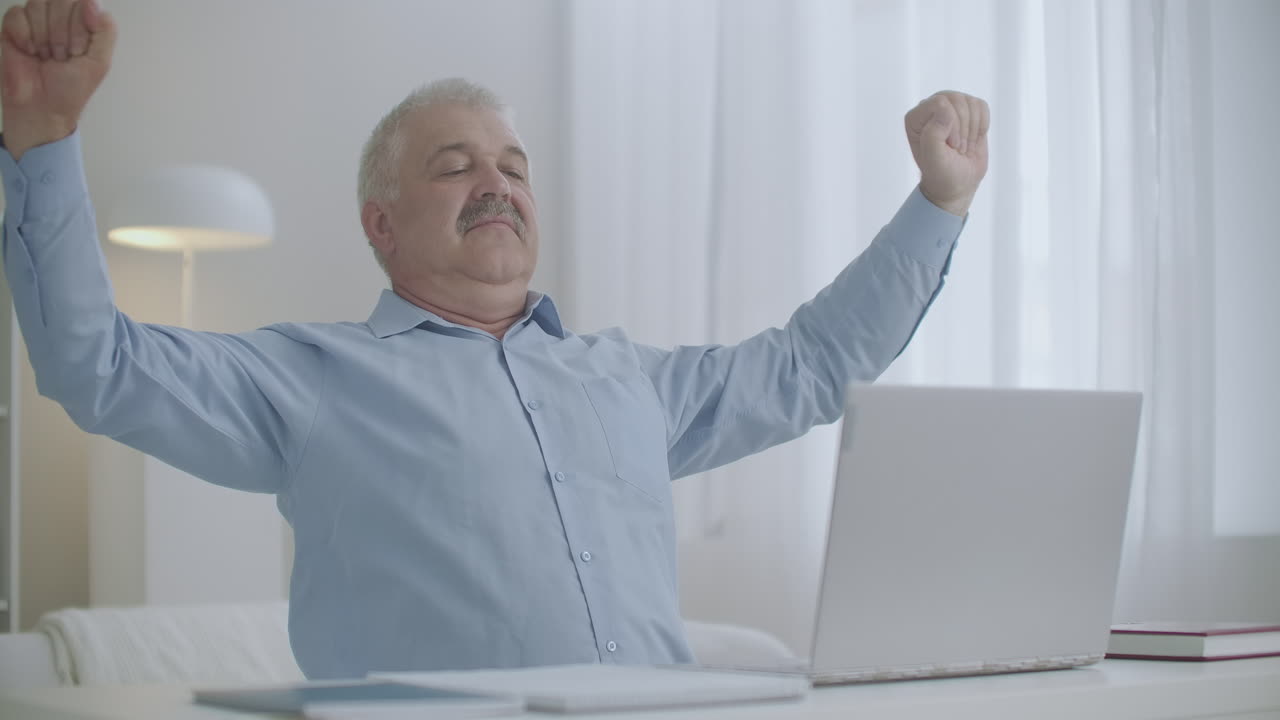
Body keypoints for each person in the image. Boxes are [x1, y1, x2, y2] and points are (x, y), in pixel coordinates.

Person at [0, 0, 989, 680]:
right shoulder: (310, 379)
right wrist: (43, 143)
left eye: (513, 165)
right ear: (379, 226)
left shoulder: (627, 382)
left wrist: (937, 204)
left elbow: (810, 365)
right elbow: (99, 365)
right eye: (454, 164)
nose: (497, 182)